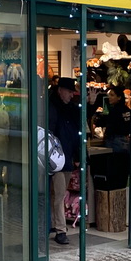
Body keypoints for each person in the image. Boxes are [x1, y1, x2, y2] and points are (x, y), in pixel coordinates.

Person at [48, 76, 81, 245]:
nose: (71, 95)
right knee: (59, 194)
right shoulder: (52, 107)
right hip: (56, 158)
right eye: (69, 91)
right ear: (60, 90)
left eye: (72, 92)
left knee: (57, 193)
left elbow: (76, 132)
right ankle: (61, 229)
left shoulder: (70, 109)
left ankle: (54, 224)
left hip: (65, 157)